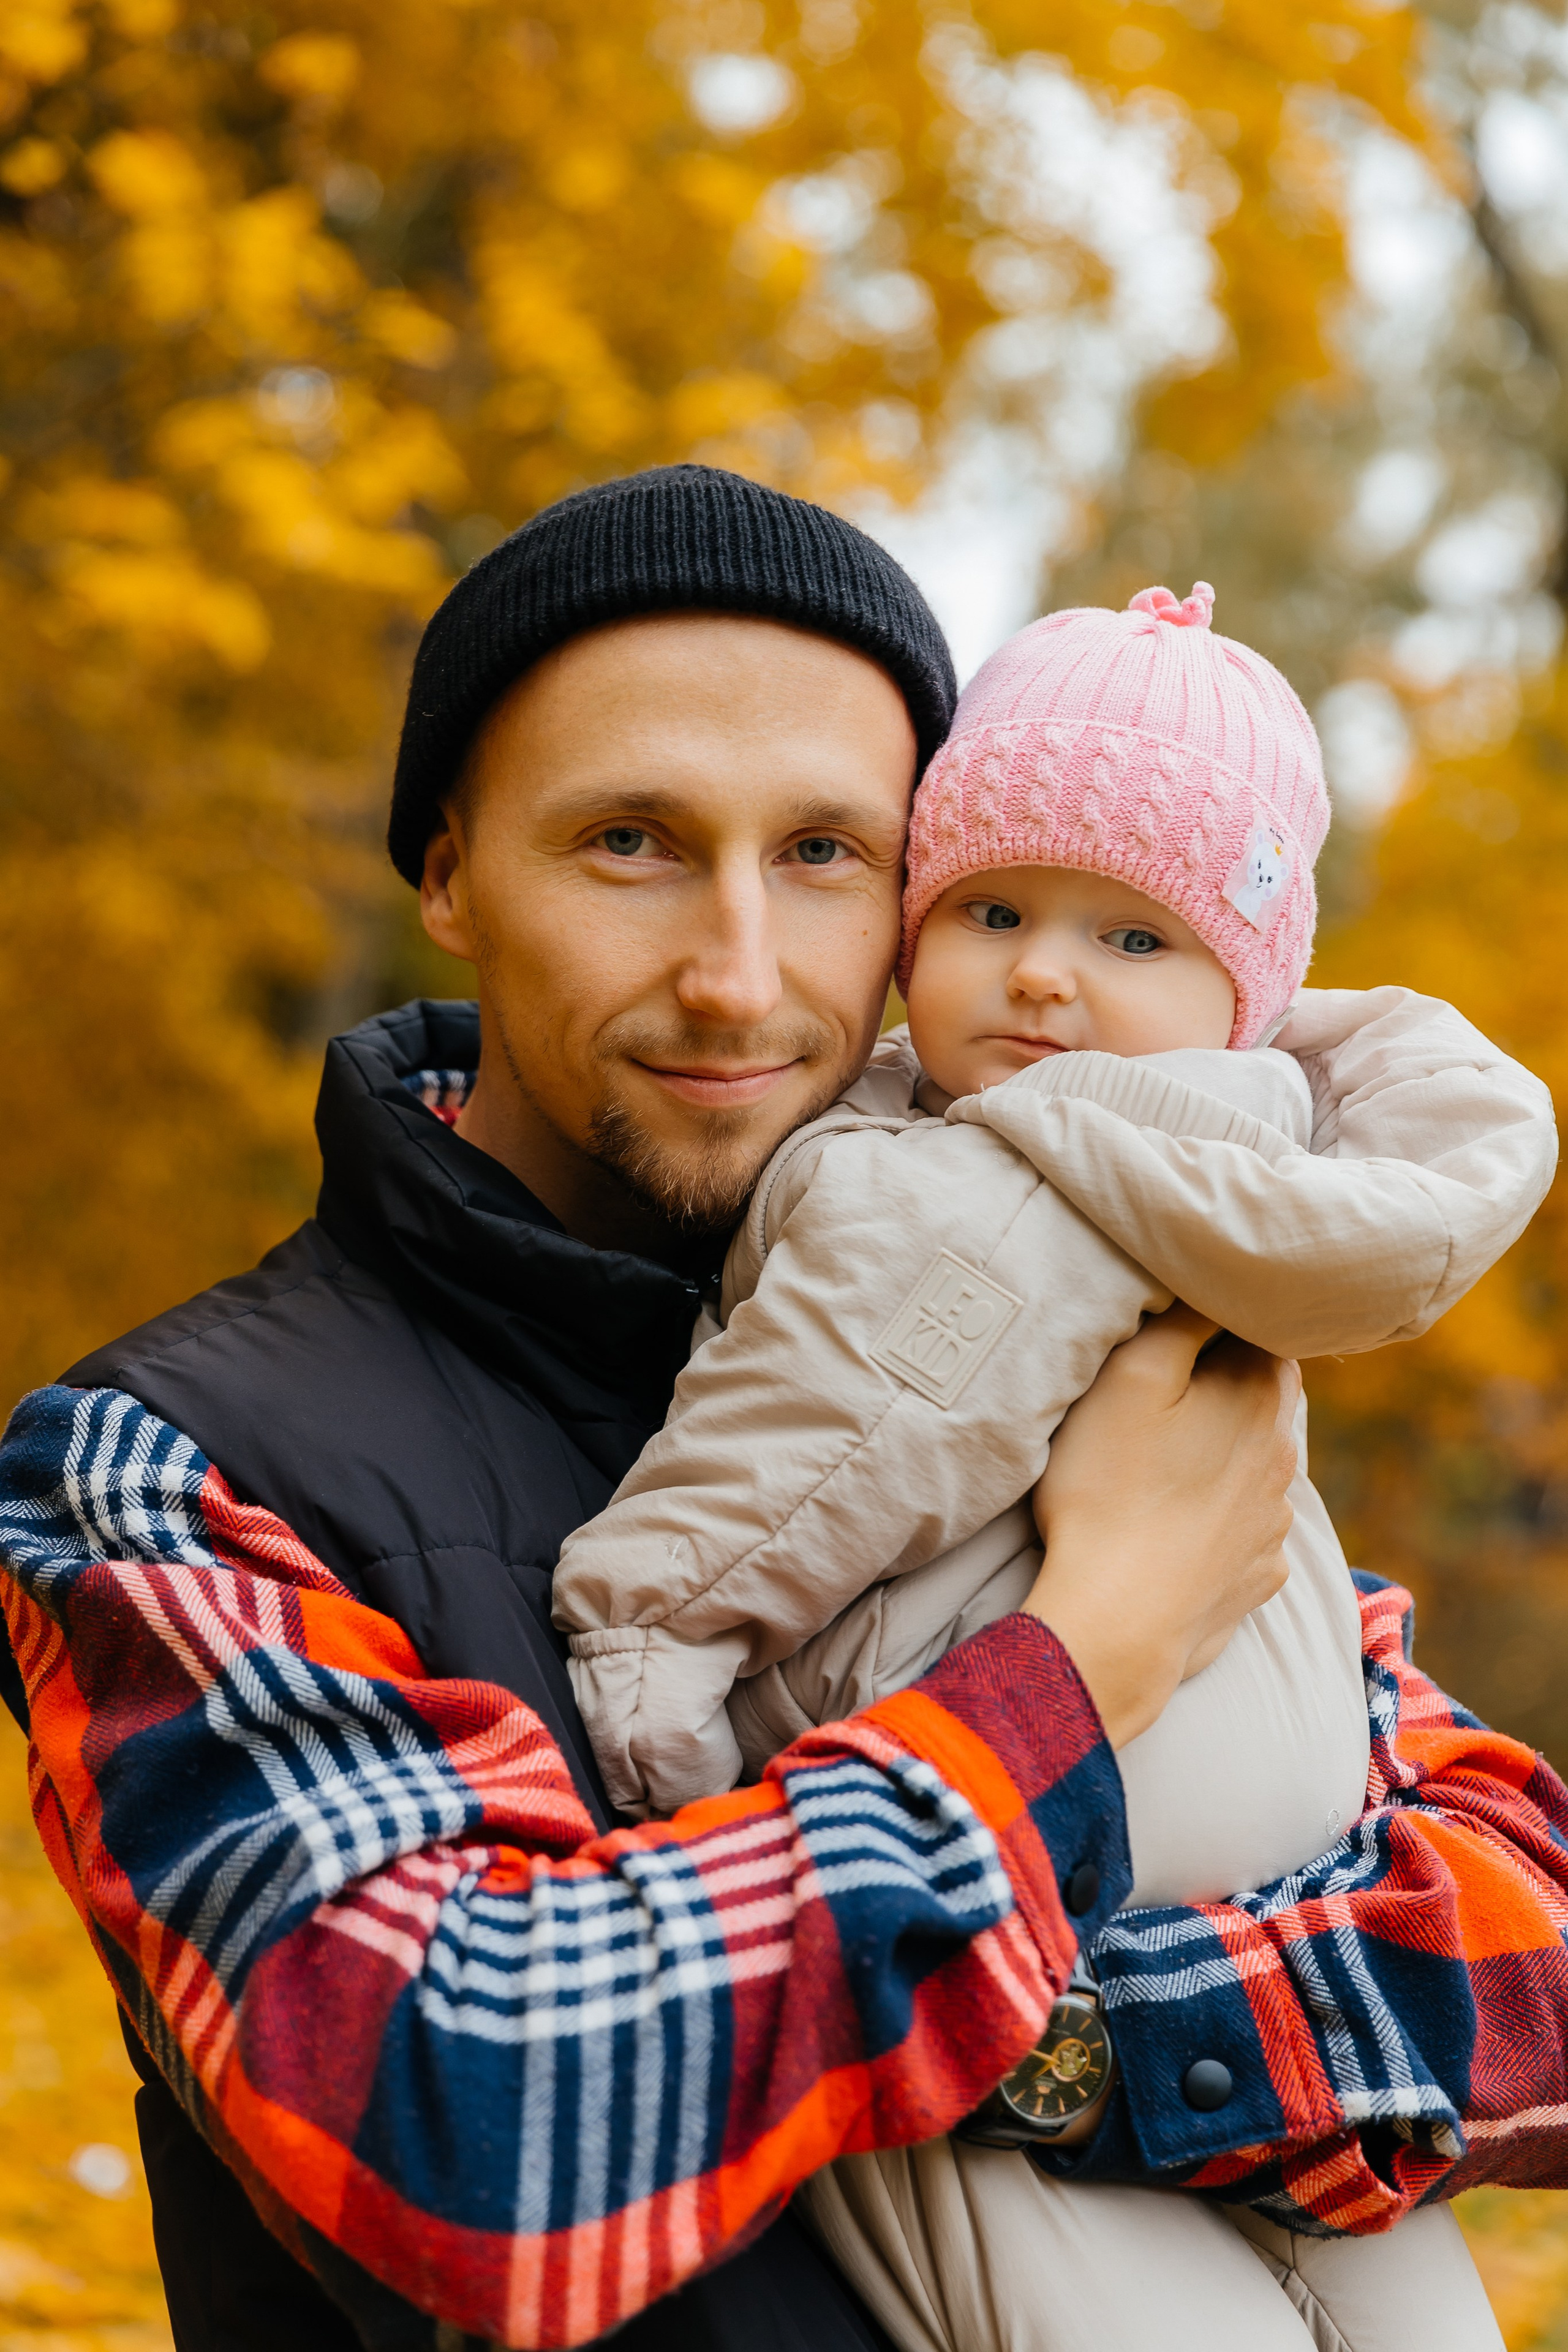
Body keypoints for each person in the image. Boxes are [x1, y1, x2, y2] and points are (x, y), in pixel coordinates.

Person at [0, 469, 1564, 2352]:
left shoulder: (1056, 1301)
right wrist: (1080, 1665)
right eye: (630, 842)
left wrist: (1087, 2057)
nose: (738, 972)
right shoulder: (160, 1468)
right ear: (448, 871)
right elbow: (467, 2117)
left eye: (827, 854)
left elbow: (1527, 1924)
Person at [552, 580, 1559, 2348]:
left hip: (1039, 1898)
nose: (1039, 973)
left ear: (1244, 992)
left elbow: (818, 1449)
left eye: (1131, 941)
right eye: (995, 908)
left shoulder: (966, 1180)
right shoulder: (1288, 1169)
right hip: (1301, 1894)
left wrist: (653, 1648)